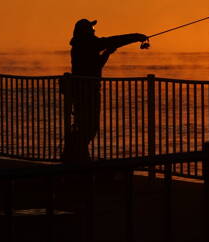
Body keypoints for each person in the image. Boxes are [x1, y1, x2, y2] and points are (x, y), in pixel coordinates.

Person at [63, 19, 147, 164]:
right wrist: (135, 37)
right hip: (87, 91)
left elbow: (96, 65)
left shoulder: (81, 45)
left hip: (83, 90)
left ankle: (78, 155)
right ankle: (77, 157)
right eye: (92, 27)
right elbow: (113, 40)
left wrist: (107, 52)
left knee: (85, 125)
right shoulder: (88, 43)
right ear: (85, 31)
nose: (94, 30)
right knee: (89, 126)